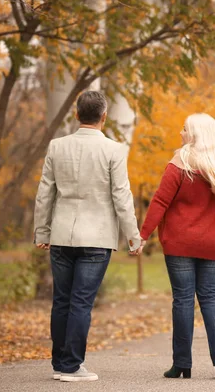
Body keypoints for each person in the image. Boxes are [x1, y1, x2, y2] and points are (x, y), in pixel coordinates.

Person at [33, 91, 142, 382]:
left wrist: (42, 231)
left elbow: (45, 192)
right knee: (81, 302)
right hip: (96, 239)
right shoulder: (114, 150)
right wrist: (133, 236)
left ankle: (60, 363)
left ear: (77, 114)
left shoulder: (57, 146)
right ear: (104, 117)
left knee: (62, 300)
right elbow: (121, 196)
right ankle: (71, 366)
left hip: (62, 236)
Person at [135, 113, 215, 380]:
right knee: (211, 298)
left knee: (183, 300)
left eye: (184, 129)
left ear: (195, 134)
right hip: (213, 244)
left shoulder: (179, 163)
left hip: (180, 243)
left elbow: (160, 202)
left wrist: (143, 235)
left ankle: (182, 365)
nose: (180, 133)